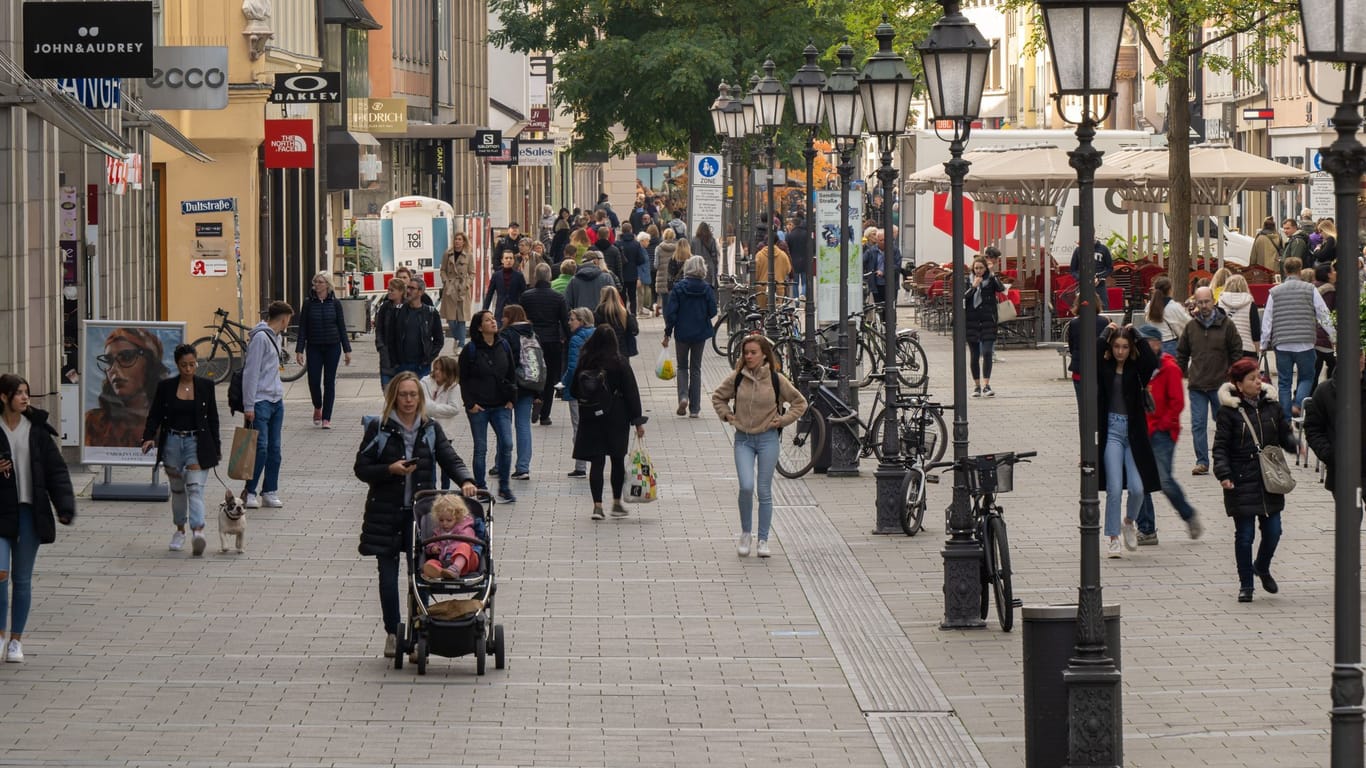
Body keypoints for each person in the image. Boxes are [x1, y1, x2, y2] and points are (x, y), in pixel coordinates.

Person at [353, 373, 477, 657]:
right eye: (403, 395)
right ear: (393, 397)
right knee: (387, 575)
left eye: (413, 395)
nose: (408, 400)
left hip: (421, 516)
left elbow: (449, 456)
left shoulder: (429, 428)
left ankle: (420, 631)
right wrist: (389, 469)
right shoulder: (379, 428)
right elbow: (361, 468)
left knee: (420, 574)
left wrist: (466, 480)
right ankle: (393, 632)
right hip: (385, 512)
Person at [0, 373, 76, 663]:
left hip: (29, 512)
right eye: (18, 393)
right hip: (1, 511)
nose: (24, 397)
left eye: (26, 392)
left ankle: (15, 641)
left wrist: (65, 506)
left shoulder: (38, 430)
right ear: (3, 397)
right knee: (0, 573)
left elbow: (56, 471)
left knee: (21, 579)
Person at [711, 335, 808, 559]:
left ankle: (763, 539)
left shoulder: (776, 379)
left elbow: (799, 402)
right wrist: (726, 415)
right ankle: (746, 533)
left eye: (753, 352)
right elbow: (718, 397)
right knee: (746, 486)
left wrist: (783, 421)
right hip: (743, 439)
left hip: (767, 439)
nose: (749, 356)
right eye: (746, 353)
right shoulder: (737, 377)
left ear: (764, 354)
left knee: (764, 490)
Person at [1213, 357, 1297, 602]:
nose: (1258, 382)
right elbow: (1220, 447)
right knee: (1245, 535)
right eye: (1251, 378)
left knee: (1274, 531)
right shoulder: (1228, 412)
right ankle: (1246, 584)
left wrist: (1294, 445)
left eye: (1259, 376)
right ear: (1238, 384)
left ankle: (1261, 566)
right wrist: (1224, 474)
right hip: (1240, 478)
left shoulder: (1272, 406)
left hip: (1269, 478)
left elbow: (1283, 433)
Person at [140, 344, 221, 555]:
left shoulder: (205, 386)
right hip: (173, 442)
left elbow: (213, 419)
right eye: (184, 365)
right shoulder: (166, 387)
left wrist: (216, 448)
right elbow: (155, 414)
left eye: (192, 364)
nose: (188, 369)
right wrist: (148, 437)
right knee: (177, 490)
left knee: (195, 487)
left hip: (196, 442)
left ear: (197, 363)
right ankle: (179, 529)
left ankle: (198, 531)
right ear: (177, 365)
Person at [1131, 326, 1204, 545]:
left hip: (1163, 432)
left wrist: (1164, 424)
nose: (1143, 348)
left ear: (1157, 344)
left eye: (1147, 343)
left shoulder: (1169, 368)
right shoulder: (1136, 368)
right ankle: (1146, 529)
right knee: (1140, 482)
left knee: (1163, 480)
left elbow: (1177, 403)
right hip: (1141, 431)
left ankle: (1188, 514)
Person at [1096, 323, 1161, 558]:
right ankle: (1113, 538)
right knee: (1114, 488)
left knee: (1138, 488)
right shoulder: (1104, 367)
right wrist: (1105, 334)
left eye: (1124, 347)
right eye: (1116, 346)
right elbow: (1090, 356)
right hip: (1112, 430)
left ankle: (1129, 521)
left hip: (1133, 433)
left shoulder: (1136, 368)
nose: (1120, 351)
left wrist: (1138, 334)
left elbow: (1152, 362)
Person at [571, 325, 646, 520]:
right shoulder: (619, 362)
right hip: (616, 416)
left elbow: (573, 389)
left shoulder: (585, 361)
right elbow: (631, 392)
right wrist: (637, 421)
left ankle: (597, 506)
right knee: (617, 460)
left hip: (591, 418)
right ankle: (616, 502)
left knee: (597, 462)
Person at [1176, 286, 1243, 476]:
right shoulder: (1191, 327)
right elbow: (1182, 353)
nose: (1204, 306)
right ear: (1195, 303)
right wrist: (1178, 374)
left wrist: (1233, 375)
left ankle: (1224, 458)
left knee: (1222, 422)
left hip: (1220, 384)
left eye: (1206, 301)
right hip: (1197, 383)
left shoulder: (1226, 325)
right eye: (1200, 302)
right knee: (1198, 424)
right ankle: (1202, 461)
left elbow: (1236, 350)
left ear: (1213, 301)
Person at [1264, 256, 1335, 419]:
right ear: (1300, 270)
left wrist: (1263, 343)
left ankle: (1286, 419)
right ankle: (1297, 404)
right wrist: (1333, 336)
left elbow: (1268, 319)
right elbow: (1323, 314)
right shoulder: (1310, 290)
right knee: (1307, 377)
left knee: (1284, 383)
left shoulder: (1275, 292)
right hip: (1305, 342)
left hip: (1282, 343)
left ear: (1285, 270)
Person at [458, 310, 517, 504]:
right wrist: (470, 404)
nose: (493, 322)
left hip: (501, 405)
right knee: (481, 448)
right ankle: (481, 488)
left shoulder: (504, 345)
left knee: (507, 444)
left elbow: (511, 372)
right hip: (479, 407)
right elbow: (463, 379)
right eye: (487, 320)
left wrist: (511, 400)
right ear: (479, 327)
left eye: (493, 319)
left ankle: (504, 487)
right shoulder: (471, 350)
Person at [243, 301, 293, 510]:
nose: (288, 323)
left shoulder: (277, 337)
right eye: (288, 319)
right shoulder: (261, 338)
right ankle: (250, 491)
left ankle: (270, 490)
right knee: (260, 448)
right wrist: (249, 405)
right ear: (283, 319)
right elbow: (251, 372)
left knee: (275, 449)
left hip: (276, 400)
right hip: (260, 401)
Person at [84, 327, 169, 448]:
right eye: (108, 361)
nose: (114, 369)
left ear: (150, 363)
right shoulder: (94, 423)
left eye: (126, 357)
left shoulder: (169, 421)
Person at [1304, 350, 1365, 502]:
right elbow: (1312, 428)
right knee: (1350, 521)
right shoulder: (1324, 392)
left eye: (1358, 356)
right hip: (1343, 472)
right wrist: (1330, 454)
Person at [295, 272, 352, 429]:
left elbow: (342, 327)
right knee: (313, 381)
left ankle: (327, 417)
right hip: (314, 346)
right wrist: (299, 350)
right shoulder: (308, 303)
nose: (317, 285)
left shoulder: (335, 303)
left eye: (320, 282)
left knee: (329, 382)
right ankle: (317, 406)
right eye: (315, 282)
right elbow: (303, 328)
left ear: (327, 284)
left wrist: (347, 350)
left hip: (332, 347)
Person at [662, 255, 718, 418]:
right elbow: (713, 311)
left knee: (681, 367)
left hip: (682, 332)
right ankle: (695, 409)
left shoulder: (679, 288)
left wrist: (667, 333)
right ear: (702, 269)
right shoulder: (707, 288)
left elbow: (671, 313)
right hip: (700, 332)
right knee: (696, 368)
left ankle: (683, 396)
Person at [520, 263, 571, 426]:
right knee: (550, 377)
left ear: (535, 276)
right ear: (549, 277)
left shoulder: (526, 296)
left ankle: (536, 398)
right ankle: (545, 415)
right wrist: (568, 339)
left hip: (532, 341)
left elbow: (522, 318)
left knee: (532, 373)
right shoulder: (558, 297)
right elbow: (564, 320)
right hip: (552, 341)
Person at [498, 304, 540, 481]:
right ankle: (523, 467)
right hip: (528, 385)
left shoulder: (506, 335)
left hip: (509, 386)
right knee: (523, 427)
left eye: (505, 316)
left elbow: (502, 363)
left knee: (503, 426)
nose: (501, 319)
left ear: (511, 317)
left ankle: (500, 463)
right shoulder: (532, 333)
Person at [560, 308, 595, 479]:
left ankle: (581, 465)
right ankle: (597, 460)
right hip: (596, 388)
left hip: (579, 388)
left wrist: (563, 382)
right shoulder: (597, 335)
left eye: (572, 319)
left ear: (581, 321)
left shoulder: (576, 339)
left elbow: (573, 366)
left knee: (578, 426)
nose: (569, 322)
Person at [387, 277, 444, 379]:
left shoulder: (430, 313)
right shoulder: (398, 311)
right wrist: (395, 361)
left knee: (422, 393)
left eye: (412, 288)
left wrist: (428, 358)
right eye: (407, 287)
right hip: (402, 365)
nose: (408, 291)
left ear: (420, 292)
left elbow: (439, 340)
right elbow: (390, 338)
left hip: (422, 366)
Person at [964, 256, 1006, 397]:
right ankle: (977, 386)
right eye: (976, 268)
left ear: (985, 269)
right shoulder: (968, 281)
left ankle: (987, 385)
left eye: (981, 268)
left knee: (987, 352)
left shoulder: (991, 280)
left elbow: (1001, 289)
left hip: (988, 321)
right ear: (973, 269)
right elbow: (963, 298)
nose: (979, 271)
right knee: (974, 355)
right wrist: (974, 287)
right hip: (972, 322)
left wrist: (993, 275)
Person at [420, 355, 462, 490]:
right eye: (436, 369)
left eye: (441, 370)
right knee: (429, 463)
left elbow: (455, 408)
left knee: (447, 464)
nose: (436, 372)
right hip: (426, 430)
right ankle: (431, 491)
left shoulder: (454, 387)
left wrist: (433, 409)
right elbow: (423, 405)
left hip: (446, 432)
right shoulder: (424, 383)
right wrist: (436, 409)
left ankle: (445, 490)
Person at [421, 495, 482, 580]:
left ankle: (455, 569)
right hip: (446, 561)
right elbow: (431, 543)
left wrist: (451, 547)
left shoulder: (464, 528)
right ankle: (441, 572)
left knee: (464, 546)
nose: (444, 523)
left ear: (457, 518)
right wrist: (432, 548)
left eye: (449, 520)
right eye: (441, 520)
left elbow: (470, 541)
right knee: (431, 563)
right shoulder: (439, 531)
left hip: (467, 561)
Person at [439, 231, 476, 352]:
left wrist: (467, 283)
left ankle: (461, 344)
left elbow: (472, 272)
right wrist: (446, 281)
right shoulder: (447, 254)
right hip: (450, 288)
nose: (457, 241)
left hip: (462, 289)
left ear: (464, 241)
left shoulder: (468, 255)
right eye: (456, 239)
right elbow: (443, 270)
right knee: (451, 319)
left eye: (460, 239)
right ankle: (456, 337)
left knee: (461, 318)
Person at [1217, 274, 1261, 361]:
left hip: (1225, 349)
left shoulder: (1219, 303)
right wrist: (1257, 351)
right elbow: (1255, 331)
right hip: (1247, 349)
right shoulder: (1250, 304)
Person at [1145, 276, 1190, 357]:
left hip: (1152, 345)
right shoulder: (1174, 307)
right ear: (1170, 290)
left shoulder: (1149, 306)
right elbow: (1188, 323)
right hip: (1170, 345)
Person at [373, 278, 406, 386]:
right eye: (388, 290)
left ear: (401, 291)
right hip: (387, 352)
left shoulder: (407, 307)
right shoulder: (385, 308)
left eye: (392, 290)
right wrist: (381, 346)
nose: (389, 292)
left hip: (403, 354)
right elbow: (379, 329)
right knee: (387, 387)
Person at [595, 285, 639, 359]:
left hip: (605, 350)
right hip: (622, 350)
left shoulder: (600, 310)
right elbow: (635, 330)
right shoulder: (623, 311)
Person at [482, 250, 528, 321]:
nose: (508, 260)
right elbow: (489, 294)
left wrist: (524, 310)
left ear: (513, 260)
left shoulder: (519, 276)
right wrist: (484, 311)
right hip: (500, 310)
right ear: (502, 260)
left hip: (515, 311)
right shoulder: (496, 275)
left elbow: (524, 294)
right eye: (506, 258)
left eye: (510, 258)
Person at [1070, 239, 1114, 310]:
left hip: (1100, 286)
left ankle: (1102, 321)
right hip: (1083, 286)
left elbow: (1109, 268)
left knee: (1103, 307)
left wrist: (1099, 277)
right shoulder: (1078, 250)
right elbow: (1073, 270)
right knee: (1082, 308)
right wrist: (1081, 278)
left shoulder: (1103, 249)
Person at [1312, 261, 1337, 385]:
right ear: (1328, 275)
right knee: (1334, 366)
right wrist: (1333, 336)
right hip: (1323, 336)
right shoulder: (1329, 291)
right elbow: (1325, 314)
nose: (1335, 273)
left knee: (1314, 371)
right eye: (1333, 271)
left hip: (1312, 334)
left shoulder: (1313, 287)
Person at [617, 223, 649, 317]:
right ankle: (633, 315)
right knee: (632, 297)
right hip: (632, 274)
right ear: (631, 230)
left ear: (622, 231)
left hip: (621, 274)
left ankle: (623, 315)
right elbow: (641, 260)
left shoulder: (618, 244)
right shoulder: (636, 244)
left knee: (622, 297)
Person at [753, 240, 792, 310]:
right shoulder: (783, 255)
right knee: (777, 310)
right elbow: (788, 270)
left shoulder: (759, 255)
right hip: (779, 287)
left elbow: (755, 273)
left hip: (762, 287)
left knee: (762, 311)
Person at [653, 228, 679, 312]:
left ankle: (667, 322)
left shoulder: (659, 248)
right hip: (674, 277)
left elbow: (656, 265)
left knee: (665, 303)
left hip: (662, 278)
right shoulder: (677, 248)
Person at [786, 214, 812, 298]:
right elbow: (811, 246)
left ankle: (796, 301)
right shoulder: (806, 234)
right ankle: (803, 294)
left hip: (794, 262)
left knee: (795, 283)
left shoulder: (790, 235)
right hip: (805, 261)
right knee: (805, 282)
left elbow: (788, 249)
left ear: (793, 225)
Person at [691, 222, 721, 290]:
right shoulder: (711, 240)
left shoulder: (694, 240)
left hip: (696, 265)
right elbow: (714, 255)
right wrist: (715, 267)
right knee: (707, 286)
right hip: (708, 267)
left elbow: (691, 254)